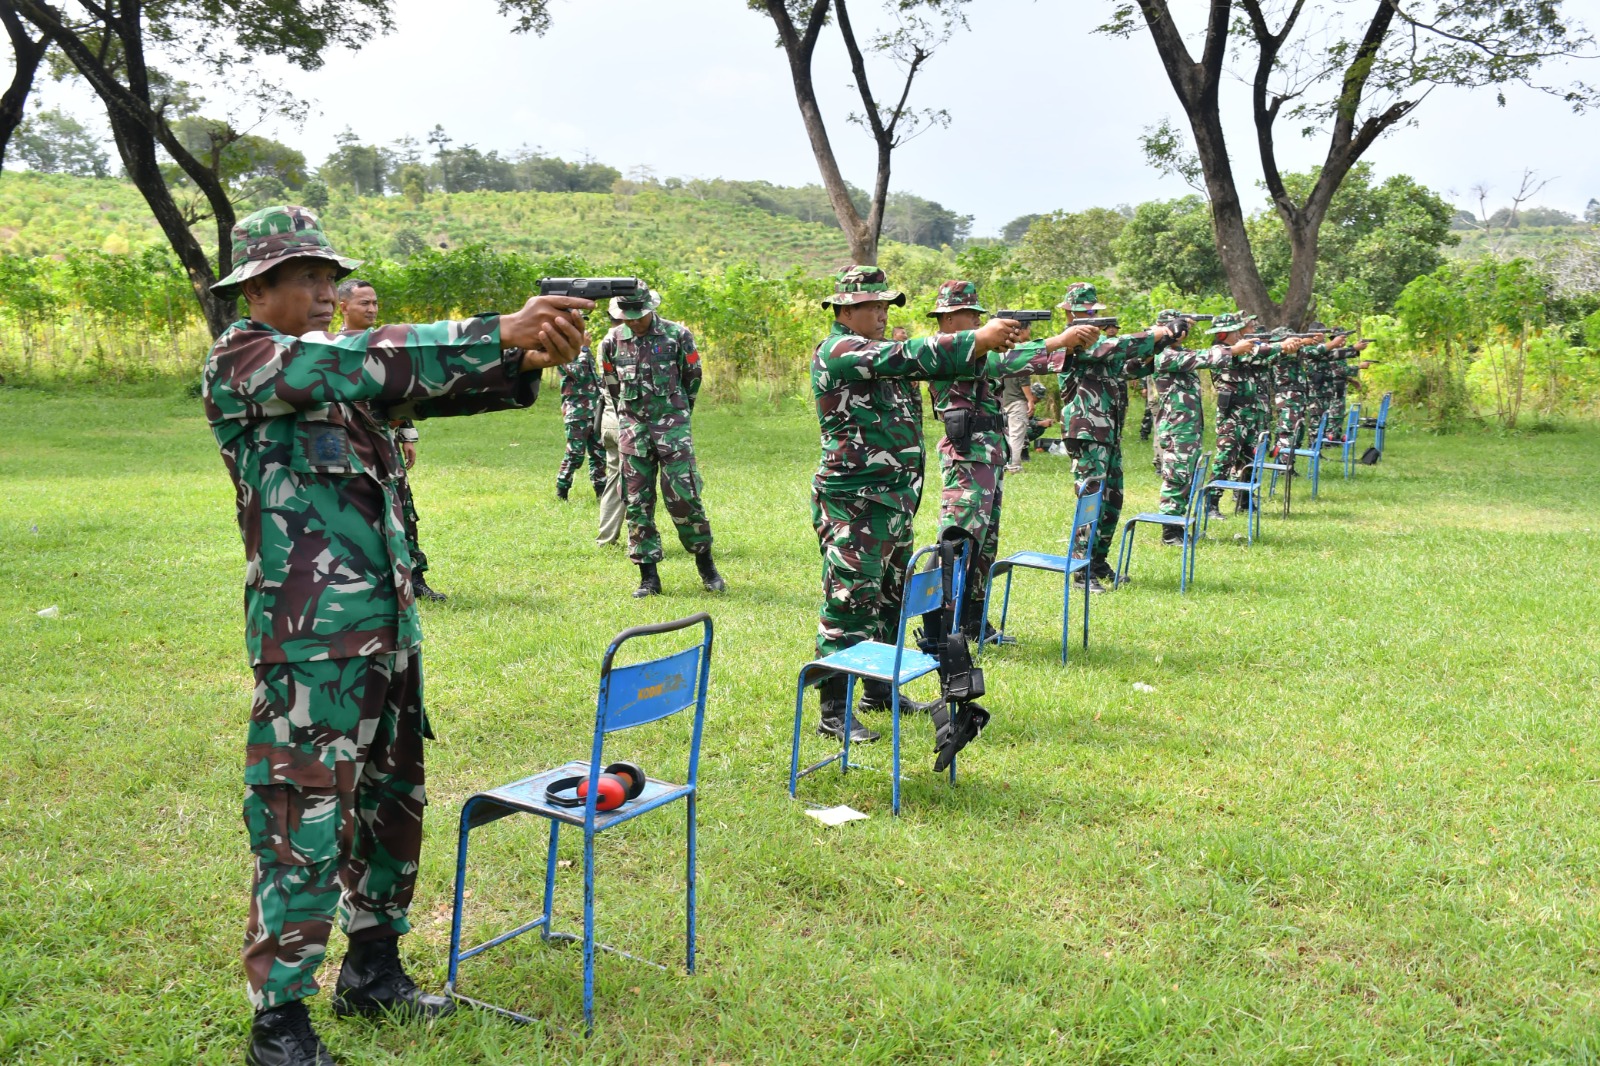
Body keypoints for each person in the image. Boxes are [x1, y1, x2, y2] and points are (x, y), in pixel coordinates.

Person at [203, 205, 589, 1066]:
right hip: (311, 646)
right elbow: (364, 359)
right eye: (304, 278)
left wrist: (523, 358)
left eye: (328, 277)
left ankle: (373, 972)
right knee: (302, 819)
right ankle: (279, 1027)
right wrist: (496, 327)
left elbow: (422, 382)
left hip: (387, 629)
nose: (324, 292)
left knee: (391, 804)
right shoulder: (246, 361)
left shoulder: (342, 376)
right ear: (255, 290)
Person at [808, 265, 1026, 742]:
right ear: (843, 310)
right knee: (849, 603)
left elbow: (937, 365)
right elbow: (912, 354)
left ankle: (879, 691)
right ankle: (833, 711)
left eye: (885, 305)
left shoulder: (880, 354)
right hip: (853, 503)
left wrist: (987, 346)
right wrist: (975, 337)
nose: (882, 313)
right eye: (871, 305)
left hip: (893, 501)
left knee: (889, 602)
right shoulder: (840, 351)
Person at [925, 280, 1100, 637]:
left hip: (986, 453)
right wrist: (1058, 341)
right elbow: (1006, 361)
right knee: (959, 540)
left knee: (985, 544)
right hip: (966, 456)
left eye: (978, 314)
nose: (977, 320)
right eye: (969, 314)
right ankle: (942, 626)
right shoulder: (946, 349)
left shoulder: (976, 351)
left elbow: (1011, 362)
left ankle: (973, 619)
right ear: (947, 319)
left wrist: (1067, 346)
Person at [597, 286, 725, 596]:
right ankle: (649, 578)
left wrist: (676, 415)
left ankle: (706, 566)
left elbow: (692, 377)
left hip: (673, 432)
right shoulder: (612, 342)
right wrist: (630, 420)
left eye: (638, 316)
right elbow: (612, 386)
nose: (634, 322)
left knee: (685, 498)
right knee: (637, 504)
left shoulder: (677, 335)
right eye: (628, 317)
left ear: (650, 309)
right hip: (633, 433)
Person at [1056, 283, 1174, 591]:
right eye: (1084, 312)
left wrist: (1162, 342)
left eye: (1092, 312)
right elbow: (1114, 348)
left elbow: (1129, 367)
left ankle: (1097, 561)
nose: (1090, 318)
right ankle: (1081, 571)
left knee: (1112, 501)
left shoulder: (1098, 344)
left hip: (1107, 432)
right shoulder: (1072, 342)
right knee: (1091, 501)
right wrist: (1155, 334)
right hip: (1086, 431)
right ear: (1068, 313)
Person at [337, 279, 447, 602]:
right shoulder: (333, 347)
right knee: (360, 513)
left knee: (404, 509)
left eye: (374, 303)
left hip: (387, 442)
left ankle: (416, 579)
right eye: (364, 303)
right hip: (353, 445)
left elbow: (399, 391)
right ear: (343, 307)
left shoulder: (384, 344)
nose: (372, 309)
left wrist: (406, 435)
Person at [1151, 312, 1254, 543]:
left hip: (1188, 428)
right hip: (1176, 429)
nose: (1184, 332)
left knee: (1187, 478)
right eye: (1180, 327)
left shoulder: (1178, 352)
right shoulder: (1162, 354)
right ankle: (1170, 533)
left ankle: (1178, 527)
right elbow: (1202, 357)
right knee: (1177, 477)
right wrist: (1232, 350)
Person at [554, 342, 607, 501]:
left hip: (595, 410)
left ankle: (601, 492)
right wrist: (583, 348)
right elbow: (578, 373)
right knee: (575, 453)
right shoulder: (563, 352)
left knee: (599, 454)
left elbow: (592, 377)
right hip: (577, 412)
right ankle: (562, 490)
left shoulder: (584, 351)